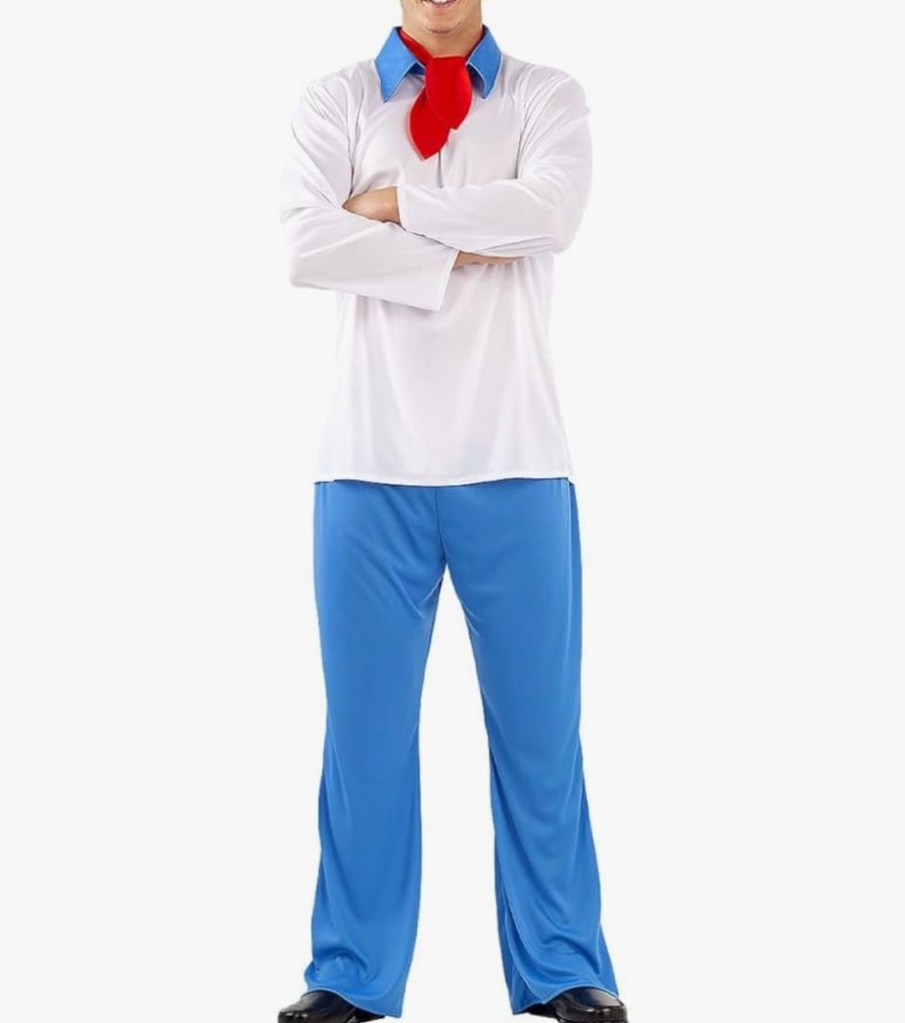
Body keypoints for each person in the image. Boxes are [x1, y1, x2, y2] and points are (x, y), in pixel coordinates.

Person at [276, 2, 629, 1021]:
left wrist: (391, 206)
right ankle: (349, 972)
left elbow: (550, 216)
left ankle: (561, 964)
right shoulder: (336, 100)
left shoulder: (544, 96)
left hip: (514, 456)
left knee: (540, 735)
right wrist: (468, 239)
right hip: (366, 463)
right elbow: (305, 246)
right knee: (364, 741)